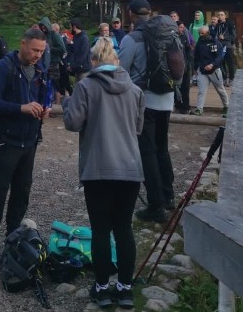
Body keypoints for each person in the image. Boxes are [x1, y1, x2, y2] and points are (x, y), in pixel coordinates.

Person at [63, 37, 144, 309]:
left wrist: (66, 104)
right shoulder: (134, 90)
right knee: (124, 229)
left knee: (100, 231)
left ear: (94, 61)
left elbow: (73, 123)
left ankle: (102, 288)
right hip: (130, 169)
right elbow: (138, 128)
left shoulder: (85, 86)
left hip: (98, 170)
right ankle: (125, 289)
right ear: (117, 62)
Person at [0, 28, 49, 280]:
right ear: (23, 44)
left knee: (22, 194)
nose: (38, 55)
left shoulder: (40, 69)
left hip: (30, 142)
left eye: (42, 51)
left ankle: (13, 243)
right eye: (34, 50)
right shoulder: (3, 67)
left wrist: (43, 109)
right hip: (7, 141)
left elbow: (40, 97)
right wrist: (22, 108)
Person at [117, 0, 174, 224]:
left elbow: (120, 71)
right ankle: (168, 196)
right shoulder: (168, 34)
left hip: (144, 101)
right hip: (167, 99)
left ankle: (156, 205)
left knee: (147, 151)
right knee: (162, 148)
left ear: (131, 14)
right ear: (150, 13)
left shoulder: (132, 39)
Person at [192, 25, 229, 116]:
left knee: (220, 90)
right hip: (202, 71)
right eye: (199, 33)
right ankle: (199, 109)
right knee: (201, 91)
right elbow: (196, 56)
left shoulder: (215, 42)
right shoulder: (199, 43)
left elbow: (219, 57)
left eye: (202, 33)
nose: (200, 35)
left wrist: (212, 65)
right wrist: (194, 68)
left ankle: (227, 107)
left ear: (207, 33)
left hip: (214, 71)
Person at [169, 12, 193, 114]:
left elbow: (189, 50)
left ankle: (186, 106)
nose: (182, 29)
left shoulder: (184, 36)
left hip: (186, 65)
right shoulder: (172, 38)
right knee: (176, 87)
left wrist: (190, 63)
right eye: (180, 27)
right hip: (176, 66)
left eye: (183, 27)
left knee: (185, 87)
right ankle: (177, 104)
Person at [38, 16, 67, 100]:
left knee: (54, 84)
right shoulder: (42, 35)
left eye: (44, 26)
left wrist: (50, 48)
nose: (43, 28)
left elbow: (62, 49)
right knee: (45, 83)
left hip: (54, 63)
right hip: (44, 63)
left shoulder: (54, 35)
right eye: (41, 27)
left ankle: (57, 103)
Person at [211, 10, 236, 86]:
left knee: (230, 64)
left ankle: (231, 79)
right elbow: (214, 36)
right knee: (221, 63)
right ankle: (224, 79)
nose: (220, 16)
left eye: (222, 15)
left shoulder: (229, 24)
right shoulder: (217, 26)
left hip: (227, 46)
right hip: (219, 47)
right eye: (219, 15)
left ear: (225, 16)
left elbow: (233, 36)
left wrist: (224, 37)